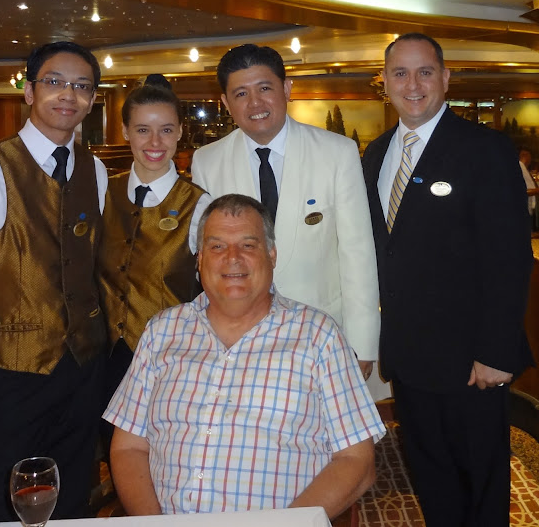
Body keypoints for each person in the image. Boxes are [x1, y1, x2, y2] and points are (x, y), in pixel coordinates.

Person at [103, 194, 385, 518]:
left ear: (272, 255)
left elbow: (356, 461)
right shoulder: (161, 332)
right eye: (217, 246)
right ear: (199, 259)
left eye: (248, 245)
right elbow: (129, 446)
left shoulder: (318, 336)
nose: (232, 258)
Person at [362, 33, 534, 527]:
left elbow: (509, 258)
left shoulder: (485, 149)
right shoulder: (375, 154)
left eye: (425, 72)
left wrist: (496, 351)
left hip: (471, 360)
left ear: (445, 77)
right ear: (385, 83)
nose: (412, 84)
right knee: (430, 474)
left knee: (480, 479)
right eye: (400, 73)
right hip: (409, 356)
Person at [0, 41, 108, 520]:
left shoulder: (95, 169)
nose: (68, 94)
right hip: (11, 374)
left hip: (83, 367)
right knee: (9, 501)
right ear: (29, 91)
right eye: (54, 82)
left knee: (74, 493)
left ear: (92, 99)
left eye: (81, 86)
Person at [191, 44, 380, 381]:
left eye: (265, 88)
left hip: (321, 336)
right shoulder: (207, 161)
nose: (255, 103)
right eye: (241, 94)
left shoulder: (337, 152)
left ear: (287, 89)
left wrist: (362, 343)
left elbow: (358, 252)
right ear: (226, 103)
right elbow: (207, 256)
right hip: (238, 340)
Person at [97, 75, 211, 461]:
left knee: (165, 461)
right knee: (115, 456)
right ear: (126, 131)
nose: (155, 142)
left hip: (172, 362)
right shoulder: (102, 192)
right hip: (105, 361)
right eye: (143, 129)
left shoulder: (199, 205)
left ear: (179, 132)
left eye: (165, 129)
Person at [519, 147, 537, 217]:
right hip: (525, 210)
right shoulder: (521, 168)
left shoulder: (519, 167)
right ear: (526, 156)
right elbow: (529, 190)